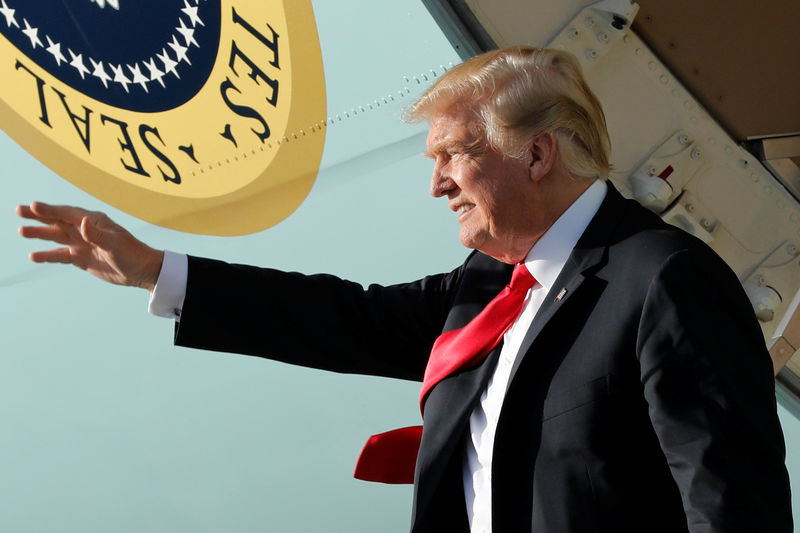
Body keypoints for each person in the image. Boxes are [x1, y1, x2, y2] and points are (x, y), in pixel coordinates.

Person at [17, 46, 792, 532]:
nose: (435, 185)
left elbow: (730, 501)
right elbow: (342, 318)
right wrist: (159, 270)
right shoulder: (486, 288)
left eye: (453, 156)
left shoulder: (663, 278)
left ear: (537, 156)